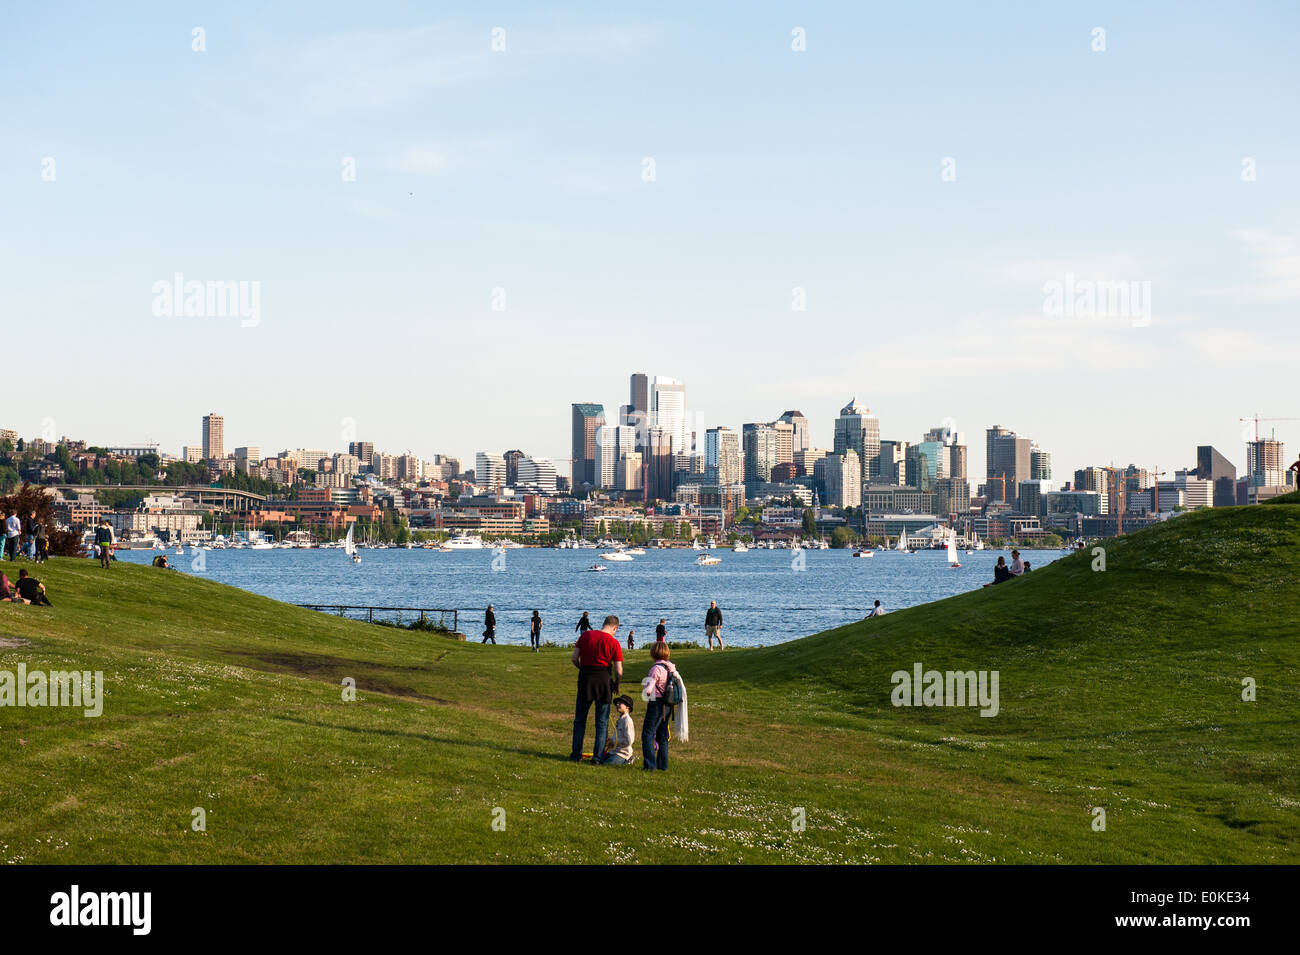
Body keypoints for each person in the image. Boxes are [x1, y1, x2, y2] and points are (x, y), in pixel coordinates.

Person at [569, 614, 624, 762]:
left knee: (580, 719)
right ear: (614, 627)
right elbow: (619, 671)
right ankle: (598, 757)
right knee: (602, 721)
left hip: (586, 678)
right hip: (603, 680)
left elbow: (574, 658)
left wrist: (582, 668)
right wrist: (616, 684)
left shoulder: (586, 636)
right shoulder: (614, 642)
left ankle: (576, 754)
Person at [640, 642, 679, 771]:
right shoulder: (670, 667)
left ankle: (650, 765)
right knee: (662, 735)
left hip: (656, 703)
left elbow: (649, 690)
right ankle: (663, 765)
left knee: (647, 733)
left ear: (653, 653)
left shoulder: (655, 669)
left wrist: (645, 690)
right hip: (668, 704)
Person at [601, 695, 637, 766]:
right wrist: (611, 740)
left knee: (607, 765)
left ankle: (628, 760)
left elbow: (629, 741)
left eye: (620, 703)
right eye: (617, 703)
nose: (617, 704)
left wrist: (614, 743)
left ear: (627, 707)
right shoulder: (620, 719)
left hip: (622, 753)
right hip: (614, 751)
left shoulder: (627, 721)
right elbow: (619, 736)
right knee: (600, 760)